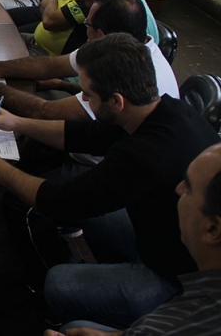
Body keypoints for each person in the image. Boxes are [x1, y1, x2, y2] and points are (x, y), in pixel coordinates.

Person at [0, 33, 221, 328]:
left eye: (88, 95)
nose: (83, 99)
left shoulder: (144, 156)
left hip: (174, 280)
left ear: (117, 101)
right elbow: (84, 136)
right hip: (165, 234)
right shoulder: (160, 111)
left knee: (58, 282)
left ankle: (53, 308)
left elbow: (59, 201)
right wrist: (17, 122)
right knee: (97, 218)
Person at [44, 142, 221, 336]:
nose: (178, 189)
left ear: (213, 229)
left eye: (189, 187)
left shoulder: (184, 320)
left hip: (171, 283)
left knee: (66, 310)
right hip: (169, 264)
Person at [0, 0, 177, 125]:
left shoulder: (120, 69)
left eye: (88, 26)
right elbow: (51, 66)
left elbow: (46, 112)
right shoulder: (125, 46)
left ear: (101, 34)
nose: (85, 32)